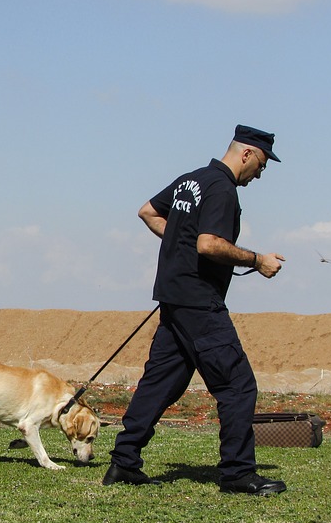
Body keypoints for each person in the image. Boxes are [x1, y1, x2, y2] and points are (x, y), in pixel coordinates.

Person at [102, 125, 287, 495]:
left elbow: (148, 212)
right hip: (200, 303)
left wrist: (178, 240)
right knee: (237, 385)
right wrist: (257, 260)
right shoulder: (222, 189)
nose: (261, 173)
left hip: (174, 298)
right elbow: (208, 244)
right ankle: (238, 473)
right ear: (247, 154)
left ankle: (124, 462)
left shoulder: (192, 181)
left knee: (160, 384)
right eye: (262, 164)